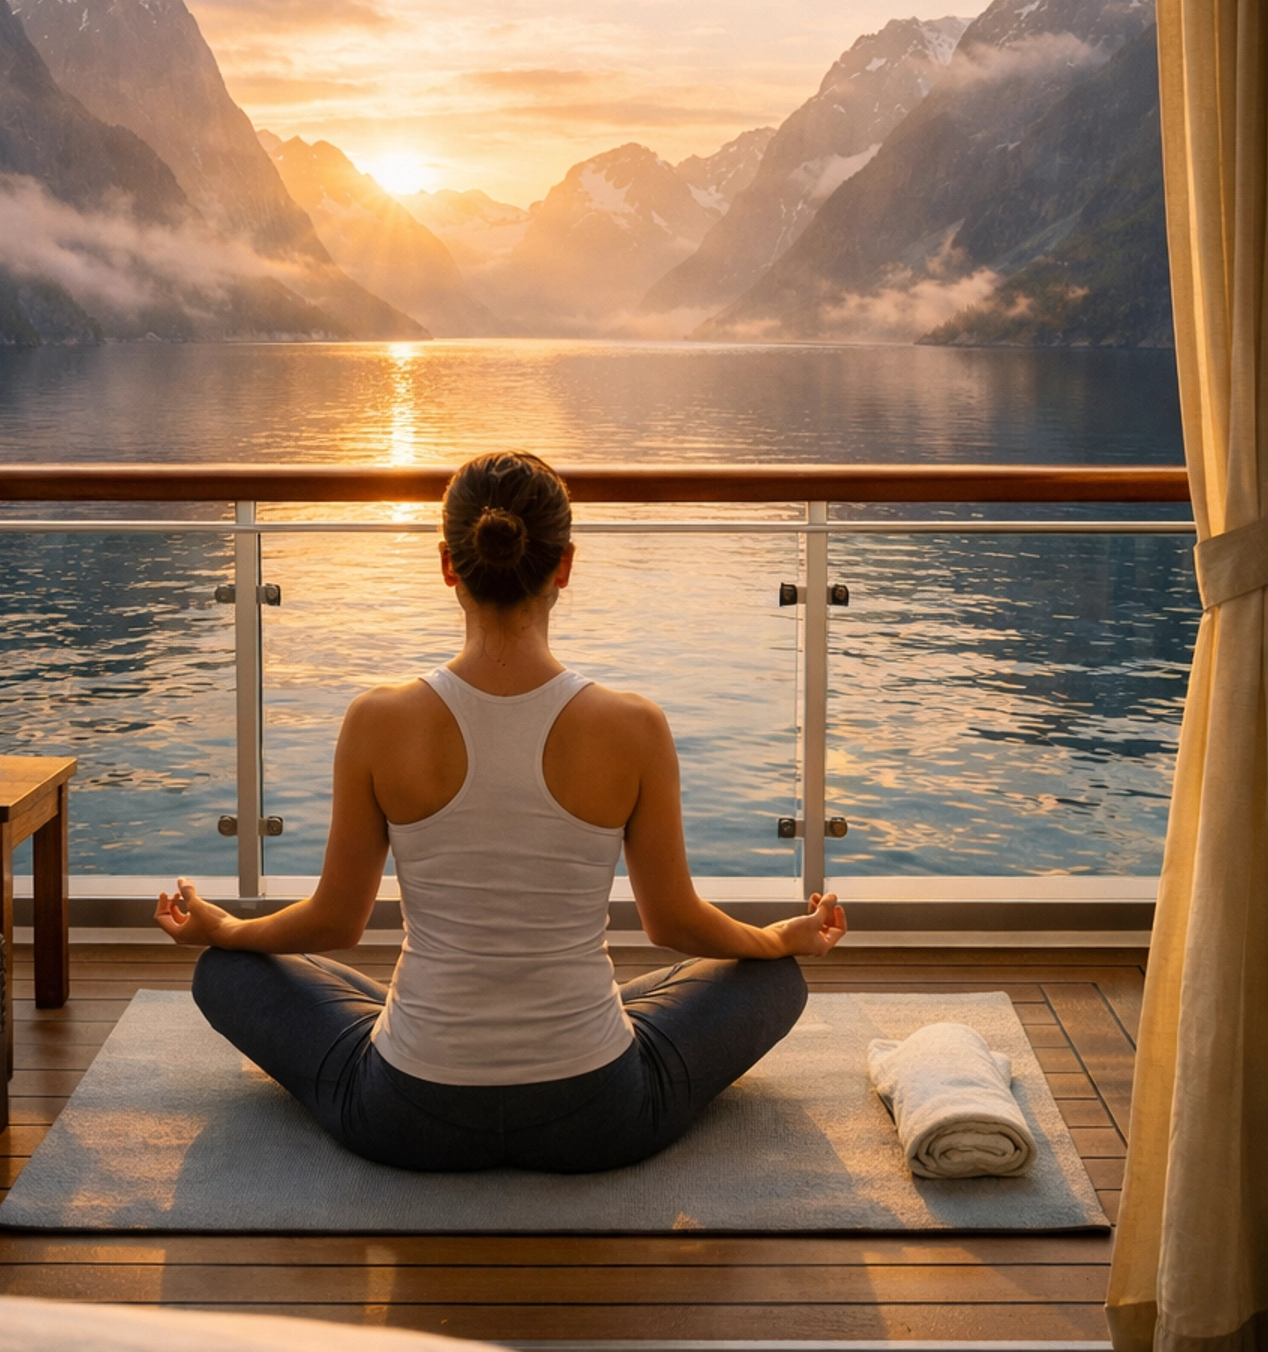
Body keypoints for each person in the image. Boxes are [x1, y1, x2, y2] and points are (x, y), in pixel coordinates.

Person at [156, 450, 846, 1173]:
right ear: (565, 566)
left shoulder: (378, 720)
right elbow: (673, 923)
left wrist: (228, 928)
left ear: (449, 566)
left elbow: (337, 923)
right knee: (772, 978)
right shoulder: (634, 726)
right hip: (598, 1113)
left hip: (408, 1113)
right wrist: (779, 939)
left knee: (226, 970)